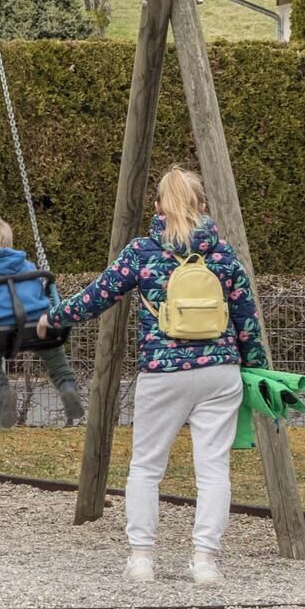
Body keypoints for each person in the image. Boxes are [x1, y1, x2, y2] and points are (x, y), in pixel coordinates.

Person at [37, 166, 267, 587]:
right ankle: (205, 561)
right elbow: (246, 318)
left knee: (146, 467)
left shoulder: (143, 252)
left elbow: (97, 295)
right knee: (213, 469)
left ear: (158, 205)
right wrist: (252, 367)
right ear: (202, 206)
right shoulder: (224, 255)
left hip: (163, 372)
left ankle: (142, 558)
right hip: (219, 371)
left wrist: (53, 318)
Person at [0, 215, 84, 428]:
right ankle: (67, 385)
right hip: (37, 324)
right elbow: (38, 292)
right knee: (53, 351)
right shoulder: (26, 264)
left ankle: (2, 391)